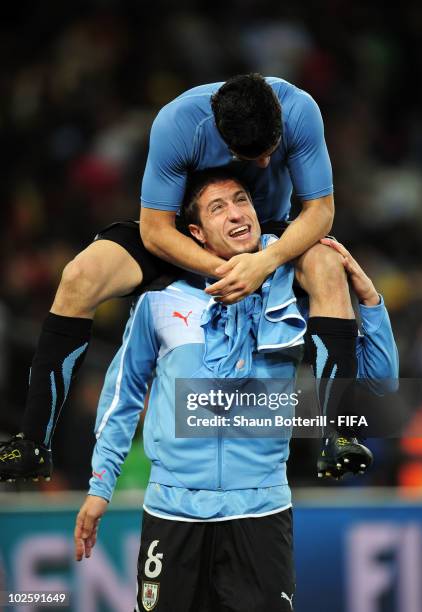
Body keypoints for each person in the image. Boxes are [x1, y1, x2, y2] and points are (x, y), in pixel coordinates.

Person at [1, 74, 359, 481]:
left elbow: (320, 211)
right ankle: (33, 442)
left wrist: (263, 262)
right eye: (250, 156)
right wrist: (224, 269)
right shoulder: (177, 123)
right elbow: (154, 230)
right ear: (222, 137)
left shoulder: (299, 109)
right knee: (79, 275)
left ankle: (340, 435)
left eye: (270, 152)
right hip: (183, 234)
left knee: (329, 267)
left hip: (265, 234)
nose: (263, 163)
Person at [73, 172, 399, 612]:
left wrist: (370, 302)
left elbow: (380, 385)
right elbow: (123, 393)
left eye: (241, 200)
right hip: (173, 514)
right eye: (217, 208)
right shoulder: (160, 299)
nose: (236, 213)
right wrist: (100, 485)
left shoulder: (295, 290)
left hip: (261, 515)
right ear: (196, 234)